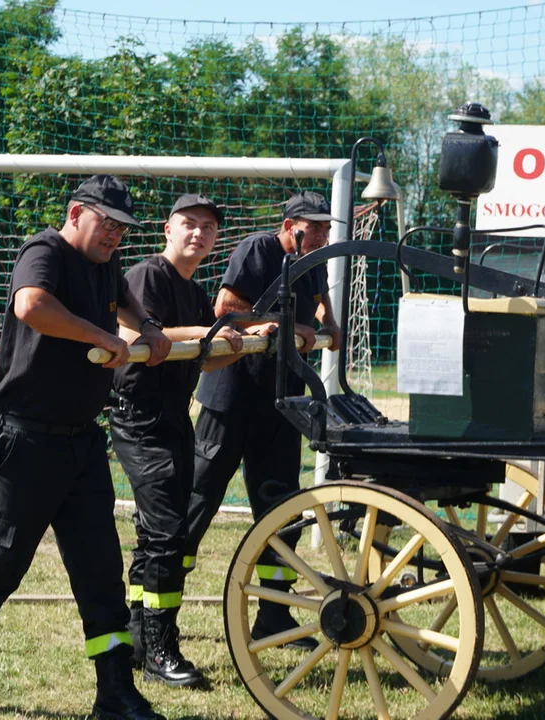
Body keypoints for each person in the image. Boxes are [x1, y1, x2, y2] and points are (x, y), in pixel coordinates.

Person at [0, 174, 172, 720]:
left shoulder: (106, 267)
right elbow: (32, 306)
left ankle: (115, 691)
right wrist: (103, 336)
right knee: (0, 564)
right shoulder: (44, 249)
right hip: (23, 439)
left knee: (101, 568)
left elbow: (125, 301)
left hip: (82, 441)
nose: (115, 237)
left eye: (123, 229)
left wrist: (147, 327)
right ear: (77, 213)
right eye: (107, 224)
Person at [183, 191, 342, 650]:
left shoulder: (312, 261)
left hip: (280, 403)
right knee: (197, 503)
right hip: (232, 401)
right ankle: (153, 615)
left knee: (280, 513)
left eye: (328, 229)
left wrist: (328, 326)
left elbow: (319, 310)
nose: (325, 235)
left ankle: (274, 617)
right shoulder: (259, 249)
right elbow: (227, 307)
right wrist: (274, 328)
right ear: (293, 226)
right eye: (318, 228)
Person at [110, 193, 244, 689]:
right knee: (168, 532)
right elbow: (151, 337)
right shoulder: (148, 275)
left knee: (158, 533)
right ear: (168, 228)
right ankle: (161, 649)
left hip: (174, 419)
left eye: (208, 228)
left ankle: (137, 638)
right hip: (140, 419)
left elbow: (197, 357)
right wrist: (212, 332)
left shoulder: (196, 289)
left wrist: (238, 345)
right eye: (189, 224)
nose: (198, 234)